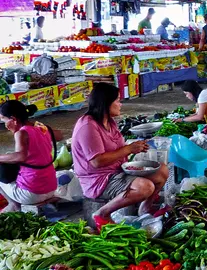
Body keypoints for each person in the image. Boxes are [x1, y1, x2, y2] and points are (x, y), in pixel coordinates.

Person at [71, 83, 169, 229]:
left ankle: (146, 208)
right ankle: (101, 214)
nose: (120, 104)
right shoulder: (88, 126)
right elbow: (97, 161)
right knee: (145, 187)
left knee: (162, 171)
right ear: (106, 103)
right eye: (117, 100)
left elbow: (118, 148)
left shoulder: (109, 122)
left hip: (117, 170)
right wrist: (128, 149)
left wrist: (137, 147)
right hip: (99, 179)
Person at [0, 101, 60, 213]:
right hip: (51, 187)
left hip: (32, 194)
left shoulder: (21, 133)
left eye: (4, 120)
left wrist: (15, 132)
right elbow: (59, 135)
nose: (4, 124)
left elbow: (20, 156)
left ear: (13, 119)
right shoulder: (40, 127)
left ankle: (13, 204)